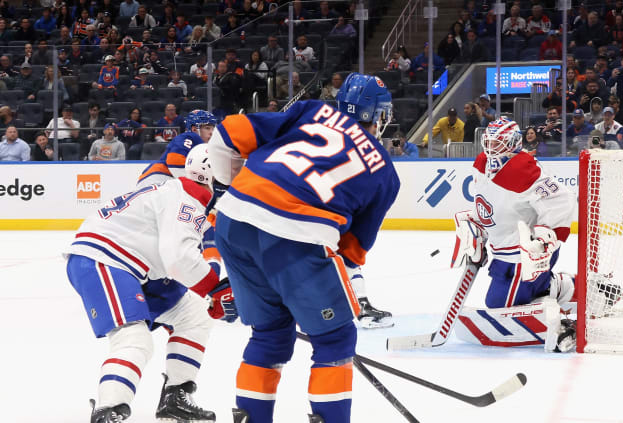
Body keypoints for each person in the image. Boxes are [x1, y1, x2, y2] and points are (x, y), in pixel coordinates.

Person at [206, 72, 400, 423]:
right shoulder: (386, 173)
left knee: (269, 335)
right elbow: (350, 253)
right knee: (335, 339)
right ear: (380, 116)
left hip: (233, 222)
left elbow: (225, 136)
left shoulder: (311, 111)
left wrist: (233, 190)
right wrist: (305, 296)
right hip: (298, 238)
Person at [65, 145, 232, 423]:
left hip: (135, 266)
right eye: (229, 169)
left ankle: (175, 396)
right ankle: (108, 410)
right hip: (104, 259)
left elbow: (195, 255)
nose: (233, 176)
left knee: (195, 315)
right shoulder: (188, 197)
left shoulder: (187, 194)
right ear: (210, 172)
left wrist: (219, 290)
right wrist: (215, 288)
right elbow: (179, 258)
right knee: (134, 338)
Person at [452, 117, 575, 348]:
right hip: (502, 254)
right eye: (488, 142)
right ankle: (560, 286)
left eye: (497, 143)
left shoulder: (523, 168)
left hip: (525, 256)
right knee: (497, 303)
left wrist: (544, 239)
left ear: (513, 143)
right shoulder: (481, 162)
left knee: (499, 307)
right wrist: (477, 226)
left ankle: (562, 324)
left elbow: (563, 199)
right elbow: (489, 202)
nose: (490, 149)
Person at [139, 110, 217, 186]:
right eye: (207, 128)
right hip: (156, 177)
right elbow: (175, 162)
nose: (211, 132)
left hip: (158, 179)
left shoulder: (202, 147)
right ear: (194, 129)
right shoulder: (190, 136)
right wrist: (197, 184)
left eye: (213, 129)